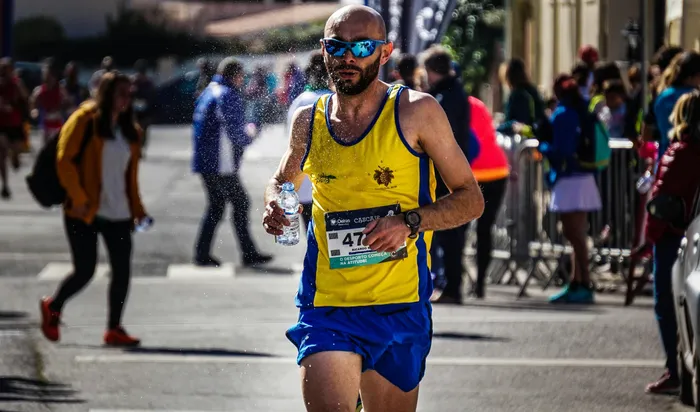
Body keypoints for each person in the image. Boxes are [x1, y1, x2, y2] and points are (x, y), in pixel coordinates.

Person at [262, 6, 484, 411]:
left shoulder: (417, 111)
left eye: (362, 46)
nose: (348, 56)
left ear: (385, 52)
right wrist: (276, 204)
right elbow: (281, 182)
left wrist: (409, 222)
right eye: (337, 46)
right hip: (328, 306)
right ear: (324, 51)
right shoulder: (307, 120)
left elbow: (470, 198)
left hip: (397, 306)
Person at [39, 72, 150, 347]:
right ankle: (54, 306)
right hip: (83, 210)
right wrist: (78, 196)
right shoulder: (84, 119)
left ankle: (114, 328)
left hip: (119, 211)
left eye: (129, 94)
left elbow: (130, 177)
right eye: (121, 93)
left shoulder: (130, 130)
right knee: (85, 270)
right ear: (107, 93)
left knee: (122, 271)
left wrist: (138, 209)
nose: (126, 99)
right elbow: (63, 160)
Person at [639, 90, 700, 394]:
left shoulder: (679, 151)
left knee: (668, 303)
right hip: (690, 231)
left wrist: (649, 237)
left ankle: (673, 370)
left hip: (674, 238)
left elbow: (660, 200)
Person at [192, 58, 272, 268]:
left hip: (208, 161)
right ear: (235, 75)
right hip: (221, 164)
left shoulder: (210, 90)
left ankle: (207, 253)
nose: (243, 81)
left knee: (220, 205)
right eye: (242, 77)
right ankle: (246, 253)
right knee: (239, 203)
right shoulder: (227, 95)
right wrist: (251, 133)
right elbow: (237, 134)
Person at [420, 45, 479, 305]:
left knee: (449, 231)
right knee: (448, 232)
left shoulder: (444, 97)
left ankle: (453, 287)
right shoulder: (454, 92)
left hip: (445, 169)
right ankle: (450, 285)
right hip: (450, 166)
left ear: (432, 71)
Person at [539, 74, 602, 304]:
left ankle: (583, 282)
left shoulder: (564, 113)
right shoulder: (582, 110)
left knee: (573, 233)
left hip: (570, 178)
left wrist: (542, 145)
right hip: (583, 177)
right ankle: (577, 281)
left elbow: (560, 150)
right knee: (577, 234)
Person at [464, 95, 509, 298]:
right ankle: (480, 283)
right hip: (498, 170)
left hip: (474, 174)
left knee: (457, 229)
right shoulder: (478, 104)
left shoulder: (449, 105)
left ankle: (458, 281)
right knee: (485, 230)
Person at [286, 52, 333, 232]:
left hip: (303, 183)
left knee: (312, 238)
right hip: (333, 185)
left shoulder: (299, 102)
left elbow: (291, 145)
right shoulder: (335, 101)